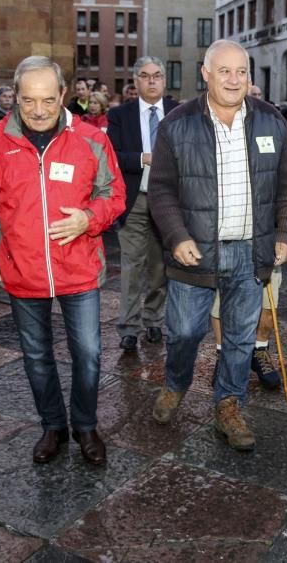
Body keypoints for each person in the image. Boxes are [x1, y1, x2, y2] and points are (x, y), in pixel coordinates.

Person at [0, 56, 125, 466]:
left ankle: (86, 425)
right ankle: (53, 426)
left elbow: (114, 194)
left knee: (89, 354)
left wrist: (89, 219)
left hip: (78, 269)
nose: (38, 111)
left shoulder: (91, 139)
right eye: (27, 101)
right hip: (20, 270)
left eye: (47, 100)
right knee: (36, 356)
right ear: (14, 98)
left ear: (63, 95)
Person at [148, 39, 287, 452]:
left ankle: (228, 404)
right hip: (194, 253)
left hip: (252, 252)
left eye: (241, 71)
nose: (234, 79)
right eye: (224, 71)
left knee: (239, 337)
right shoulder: (177, 124)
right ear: (206, 73)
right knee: (183, 331)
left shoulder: (272, 121)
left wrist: (285, 234)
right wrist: (177, 236)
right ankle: (176, 383)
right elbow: (160, 191)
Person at [107, 56, 179, 351]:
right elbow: (112, 155)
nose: (152, 81)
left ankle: (153, 321)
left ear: (164, 80)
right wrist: (142, 158)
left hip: (168, 201)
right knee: (132, 265)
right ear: (135, 82)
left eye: (158, 75)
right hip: (134, 198)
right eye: (145, 76)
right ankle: (128, 327)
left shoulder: (177, 112)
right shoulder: (120, 115)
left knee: (159, 266)